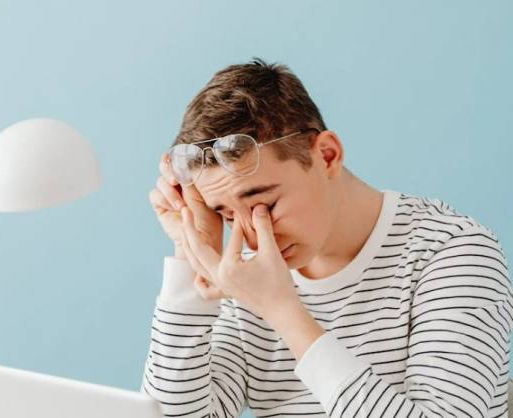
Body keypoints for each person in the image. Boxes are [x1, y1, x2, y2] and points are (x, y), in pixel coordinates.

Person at [142, 58, 513, 417]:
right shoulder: (247, 279)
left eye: (264, 205)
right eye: (225, 215)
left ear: (327, 155)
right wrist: (191, 251)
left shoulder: (452, 254)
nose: (252, 238)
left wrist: (282, 311)